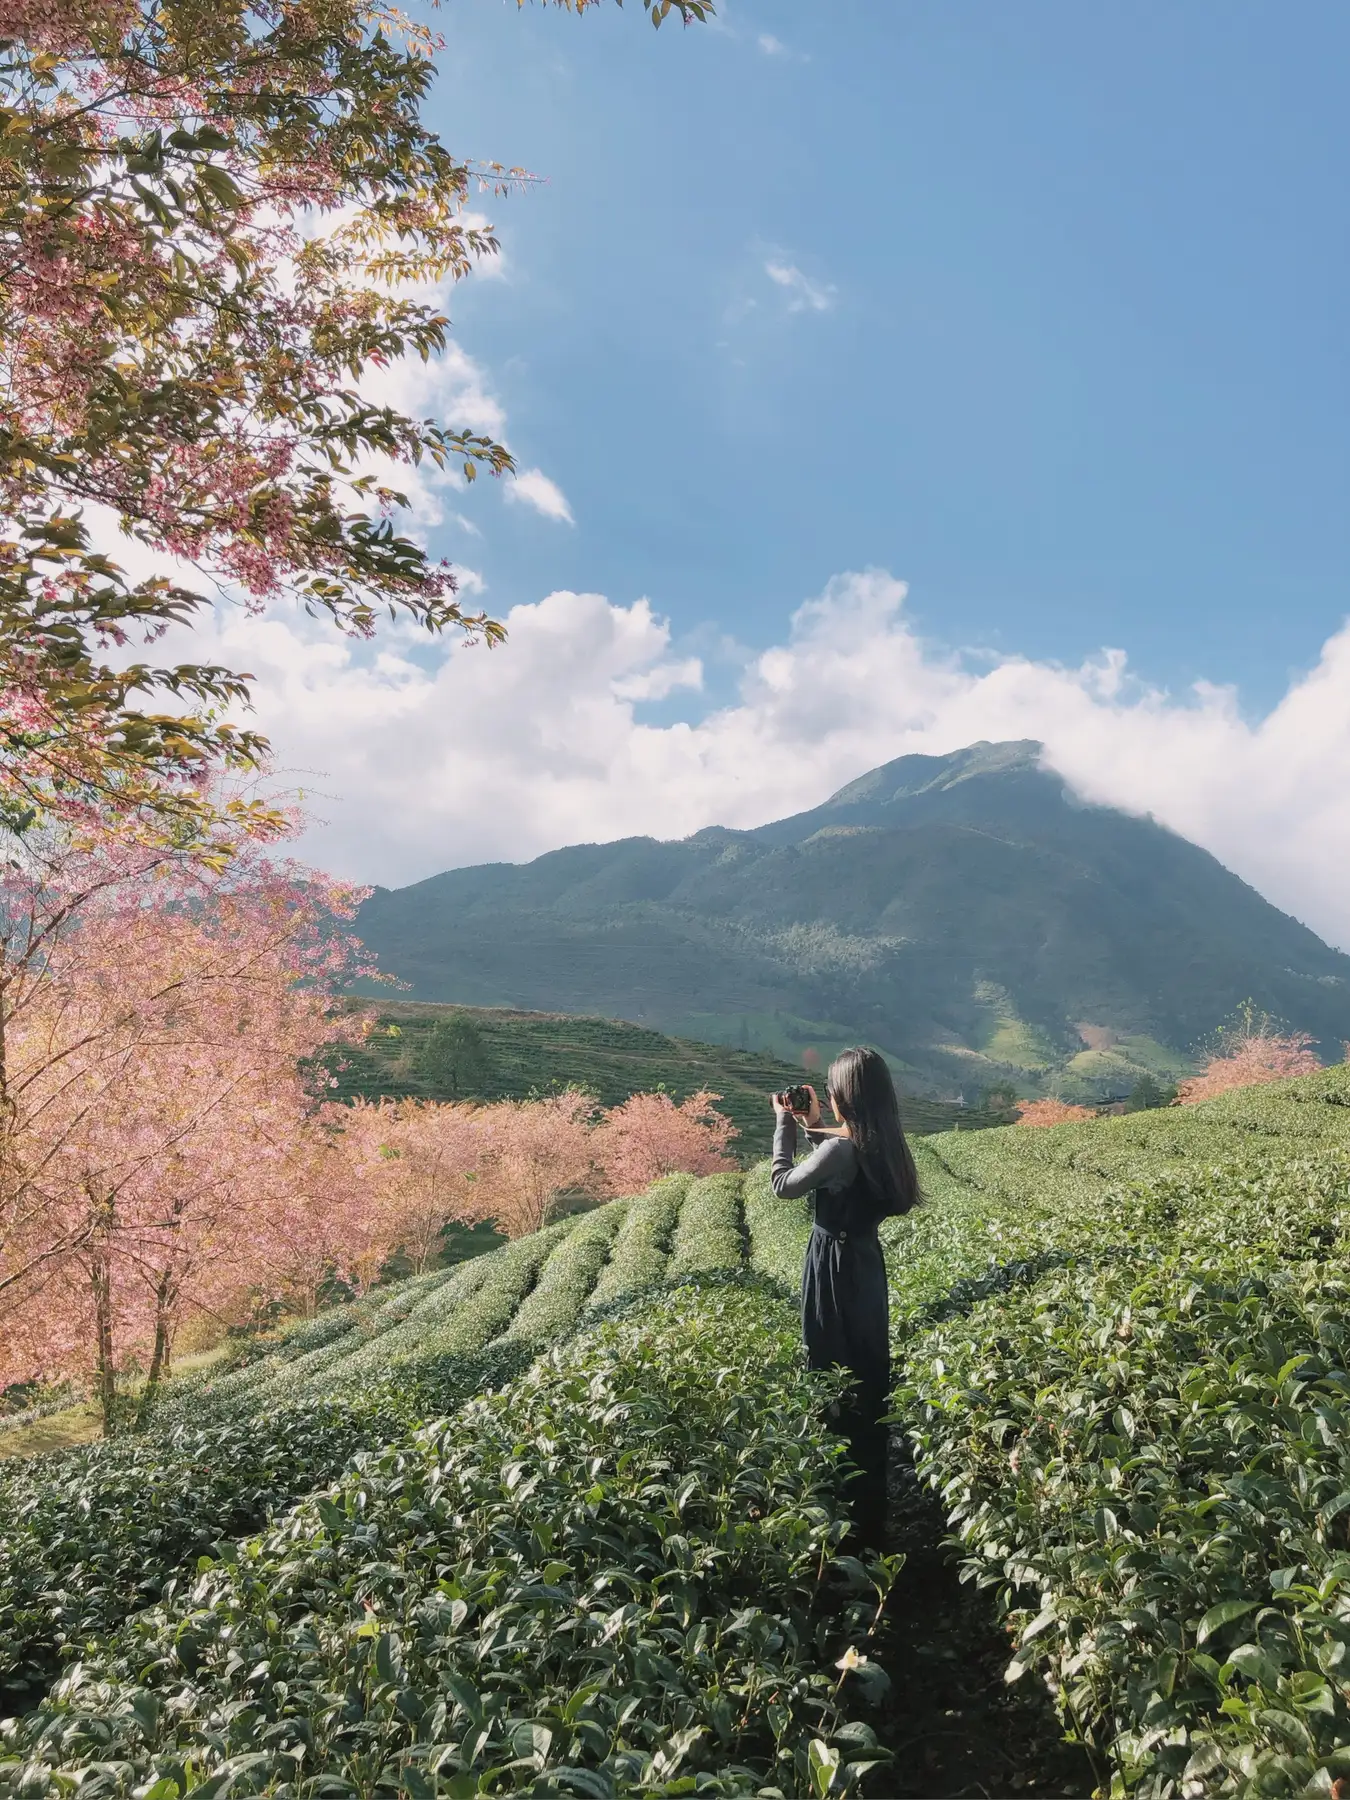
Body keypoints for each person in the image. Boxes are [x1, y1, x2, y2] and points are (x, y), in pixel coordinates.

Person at [771, 1047, 921, 1550]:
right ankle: (872, 1519)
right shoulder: (884, 1143)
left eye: (832, 1090)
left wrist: (784, 1128)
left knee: (831, 1378)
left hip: (831, 1270)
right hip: (864, 1267)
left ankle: (839, 1524)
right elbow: (839, 1152)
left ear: (847, 1098)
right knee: (867, 1379)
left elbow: (783, 1185)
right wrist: (812, 1119)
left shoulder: (841, 1149)